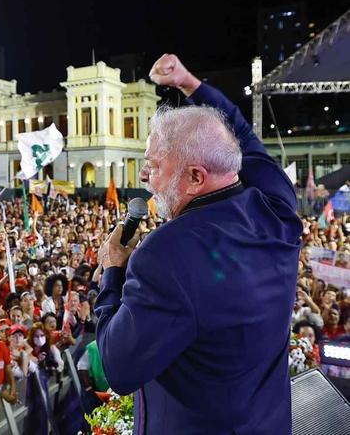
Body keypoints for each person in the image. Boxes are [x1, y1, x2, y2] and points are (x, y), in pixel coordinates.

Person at [95, 53, 302, 434]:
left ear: (194, 176)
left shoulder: (166, 255)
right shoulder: (278, 209)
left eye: (154, 165)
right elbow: (242, 135)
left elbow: (117, 368)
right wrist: (189, 83)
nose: (145, 177)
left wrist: (112, 272)